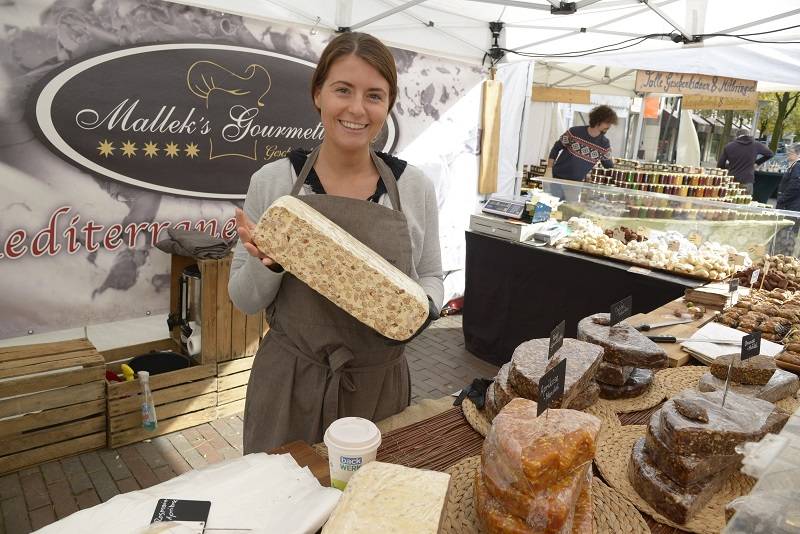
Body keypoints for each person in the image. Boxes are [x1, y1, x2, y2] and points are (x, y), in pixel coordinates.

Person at [228, 32, 444, 453]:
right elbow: (244, 299)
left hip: (378, 388)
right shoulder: (272, 183)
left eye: (374, 96)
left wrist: (421, 309)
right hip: (290, 384)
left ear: (388, 106)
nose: (357, 109)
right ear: (318, 94)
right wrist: (267, 263)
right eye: (342, 90)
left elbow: (432, 275)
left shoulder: (413, 187)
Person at [545, 105, 617, 182]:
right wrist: (549, 169)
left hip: (576, 184)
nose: (609, 126)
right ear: (598, 119)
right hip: (556, 178)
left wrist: (612, 160)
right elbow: (556, 148)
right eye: (607, 122)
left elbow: (608, 166)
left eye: (610, 123)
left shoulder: (604, 144)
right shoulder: (574, 132)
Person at [775, 144, 800, 255]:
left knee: (788, 232)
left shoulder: (797, 166)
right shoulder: (795, 166)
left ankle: (784, 256)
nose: (788, 154)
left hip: (791, 206)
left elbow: (796, 184)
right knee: (788, 232)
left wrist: (782, 198)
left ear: (798, 154)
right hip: (792, 204)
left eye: (791, 152)